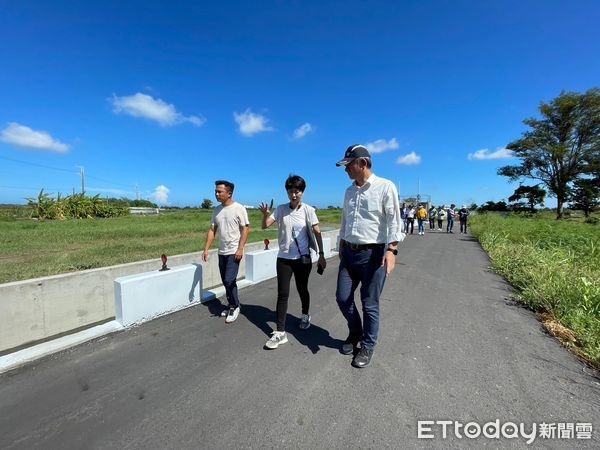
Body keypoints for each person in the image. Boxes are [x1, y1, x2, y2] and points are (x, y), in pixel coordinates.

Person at [335, 144, 403, 368]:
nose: (346, 171)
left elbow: (394, 220)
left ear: (362, 163)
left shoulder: (385, 187)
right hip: (349, 252)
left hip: (374, 254)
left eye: (349, 166)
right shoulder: (349, 191)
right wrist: (340, 246)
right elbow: (345, 220)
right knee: (343, 297)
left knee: (369, 303)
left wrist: (392, 250)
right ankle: (355, 332)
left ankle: (368, 344)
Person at [259, 175, 327, 350]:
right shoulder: (281, 209)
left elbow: (317, 232)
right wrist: (266, 214)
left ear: (302, 192)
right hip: (284, 258)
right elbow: (265, 226)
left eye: (297, 191)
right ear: (287, 192)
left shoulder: (308, 210)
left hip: (302, 259)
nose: (294, 194)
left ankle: (305, 315)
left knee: (302, 289)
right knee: (283, 294)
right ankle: (280, 332)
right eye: (291, 191)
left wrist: (321, 254)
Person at [202, 180, 250, 323]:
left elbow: (245, 229)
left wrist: (240, 248)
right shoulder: (216, 210)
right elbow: (212, 230)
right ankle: (231, 304)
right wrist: (206, 249)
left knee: (229, 280)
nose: (216, 194)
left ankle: (235, 306)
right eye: (215, 191)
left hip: (234, 250)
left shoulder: (239, 208)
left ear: (229, 193)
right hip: (221, 251)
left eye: (220, 191)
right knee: (226, 281)